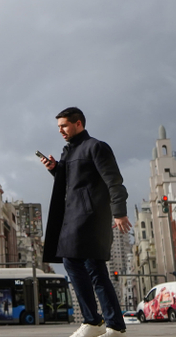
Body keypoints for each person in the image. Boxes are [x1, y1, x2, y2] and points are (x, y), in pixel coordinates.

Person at [40, 107, 129, 337]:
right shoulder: (67, 151)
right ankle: (92, 321)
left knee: (95, 270)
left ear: (78, 123)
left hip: (92, 218)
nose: (60, 130)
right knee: (71, 263)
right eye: (58, 127)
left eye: (64, 126)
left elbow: (115, 182)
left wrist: (119, 212)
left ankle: (116, 326)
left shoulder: (96, 147)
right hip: (71, 218)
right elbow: (73, 183)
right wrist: (55, 169)